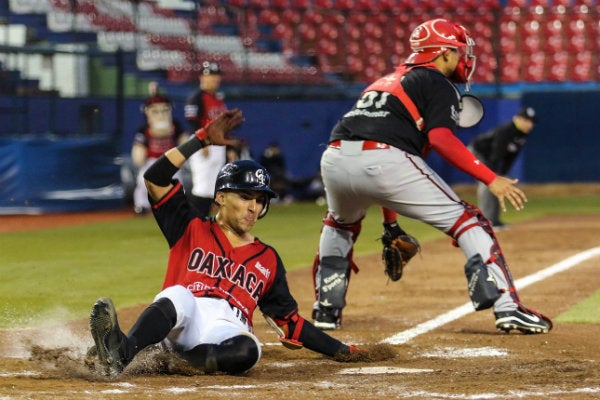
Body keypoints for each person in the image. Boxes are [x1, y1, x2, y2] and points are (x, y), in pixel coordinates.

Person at [310, 18, 552, 335]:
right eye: (459, 51)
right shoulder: (437, 83)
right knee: (470, 221)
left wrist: (389, 223)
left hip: (335, 157)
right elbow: (440, 140)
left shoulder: (382, 82)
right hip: (386, 159)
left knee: (339, 224)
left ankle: (326, 311)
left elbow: (381, 160)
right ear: (443, 54)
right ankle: (508, 308)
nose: (464, 58)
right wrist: (490, 178)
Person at [89, 109, 360, 377]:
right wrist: (202, 139)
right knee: (177, 295)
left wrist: (341, 350)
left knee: (249, 349)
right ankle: (122, 352)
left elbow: (289, 324)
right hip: (184, 317)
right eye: (245, 197)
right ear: (220, 197)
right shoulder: (189, 226)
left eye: (260, 200)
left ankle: (169, 362)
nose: (253, 207)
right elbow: (155, 178)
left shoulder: (268, 259)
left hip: (226, 327)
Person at [468, 107, 537, 229]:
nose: (530, 124)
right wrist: (492, 175)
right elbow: (496, 154)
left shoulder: (522, 134)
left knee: (498, 184)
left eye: (531, 121)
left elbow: (511, 156)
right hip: (477, 153)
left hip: (490, 157)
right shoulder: (506, 131)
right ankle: (486, 221)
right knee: (487, 184)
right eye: (527, 121)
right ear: (518, 119)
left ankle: (494, 220)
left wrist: (503, 173)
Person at [185, 61, 228, 217]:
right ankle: (193, 224)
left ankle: (203, 224)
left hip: (217, 144)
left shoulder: (217, 98)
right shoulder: (197, 97)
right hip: (204, 144)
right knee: (202, 187)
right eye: (210, 75)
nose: (214, 79)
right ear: (201, 77)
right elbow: (192, 121)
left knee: (212, 188)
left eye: (216, 76)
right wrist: (201, 142)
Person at [131, 94, 187, 215]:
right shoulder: (144, 129)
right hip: (152, 160)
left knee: (176, 182)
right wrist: (139, 156)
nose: (160, 114)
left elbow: (183, 140)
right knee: (143, 181)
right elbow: (139, 146)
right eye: (155, 111)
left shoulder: (175, 125)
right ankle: (141, 206)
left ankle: (178, 206)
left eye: (164, 110)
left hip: (170, 159)